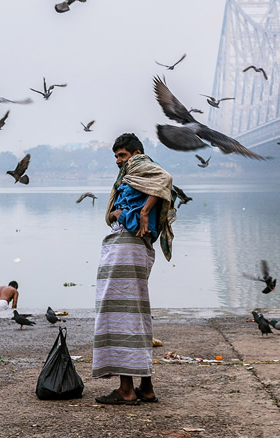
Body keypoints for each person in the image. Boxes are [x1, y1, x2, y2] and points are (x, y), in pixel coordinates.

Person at [92, 133, 176, 405]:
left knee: (119, 312)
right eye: (116, 156)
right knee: (136, 312)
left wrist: (141, 213)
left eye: (122, 155)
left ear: (136, 152)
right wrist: (116, 214)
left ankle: (127, 391)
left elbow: (165, 180)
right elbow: (116, 210)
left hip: (127, 246)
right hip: (131, 246)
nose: (119, 161)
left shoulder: (141, 166)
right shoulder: (132, 174)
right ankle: (146, 387)